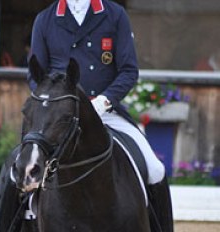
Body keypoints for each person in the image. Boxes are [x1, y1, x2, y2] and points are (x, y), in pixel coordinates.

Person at [28, 0, 173, 231]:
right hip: (59, 119)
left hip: (105, 112)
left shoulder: (114, 15)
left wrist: (104, 101)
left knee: (155, 169)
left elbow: (128, 71)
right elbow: (35, 76)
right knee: (17, 172)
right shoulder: (45, 19)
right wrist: (53, 106)